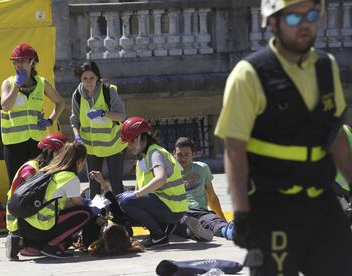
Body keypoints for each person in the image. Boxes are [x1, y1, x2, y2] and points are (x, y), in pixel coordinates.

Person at [214, 0, 352, 275]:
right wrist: (241, 214)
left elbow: (336, 136)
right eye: (293, 18)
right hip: (271, 208)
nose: (304, 24)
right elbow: (234, 149)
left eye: (311, 14)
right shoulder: (249, 74)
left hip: (322, 203)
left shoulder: (327, 67)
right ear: (273, 22)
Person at [9, 142, 96, 259]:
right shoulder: (70, 177)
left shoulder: (46, 170)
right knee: (85, 213)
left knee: (63, 230)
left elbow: (54, 202)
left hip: (23, 225)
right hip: (40, 227)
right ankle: (52, 246)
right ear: (79, 161)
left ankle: (21, 243)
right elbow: (77, 205)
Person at [117, 117, 189, 248]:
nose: (129, 146)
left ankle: (158, 236)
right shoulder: (142, 158)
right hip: (167, 205)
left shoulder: (155, 153)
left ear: (142, 137)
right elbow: (140, 189)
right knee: (121, 205)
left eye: (131, 141)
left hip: (172, 208)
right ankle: (163, 227)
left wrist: (136, 195)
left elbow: (160, 178)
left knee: (126, 201)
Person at [1, 43, 65, 184]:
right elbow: (5, 106)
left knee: (38, 181)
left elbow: (60, 102)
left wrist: (50, 120)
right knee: (16, 183)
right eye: (16, 61)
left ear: (32, 63)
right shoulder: (8, 83)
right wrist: (17, 85)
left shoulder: (42, 83)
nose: (19, 64)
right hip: (14, 143)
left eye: (23, 61)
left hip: (37, 141)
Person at [5, 132, 68, 258]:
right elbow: (31, 196)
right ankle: (25, 243)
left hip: (21, 219)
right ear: (51, 152)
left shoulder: (41, 168)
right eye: (63, 154)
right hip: (20, 221)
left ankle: (23, 242)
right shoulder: (31, 168)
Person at [70, 61, 127, 198]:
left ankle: (121, 213)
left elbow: (121, 116)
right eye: (85, 78)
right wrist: (77, 137)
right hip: (91, 149)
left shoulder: (108, 91)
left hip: (113, 145)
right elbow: (74, 121)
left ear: (98, 77)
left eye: (92, 78)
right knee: (94, 184)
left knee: (116, 183)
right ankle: (96, 215)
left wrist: (103, 113)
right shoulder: (77, 96)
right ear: (80, 79)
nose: (89, 82)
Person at [173, 137, 234, 241]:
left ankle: (228, 230)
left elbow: (212, 196)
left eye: (187, 154)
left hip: (200, 211)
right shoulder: (167, 172)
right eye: (179, 155)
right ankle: (195, 232)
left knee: (212, 221)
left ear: (193, 154)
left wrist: (222, 218)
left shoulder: (202, 168)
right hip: (180, 212)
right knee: (179, 224)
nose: (183, 158)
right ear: (174, 154)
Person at [75, 171, 144, 256]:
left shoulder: (90, 237)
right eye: (112, 224)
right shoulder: (125, 228)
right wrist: (102, 182)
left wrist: (97, 217)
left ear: (103, 237)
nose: (107, 223)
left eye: (106, 227)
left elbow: (83, 217)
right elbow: (114, 204)